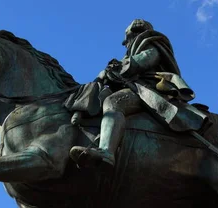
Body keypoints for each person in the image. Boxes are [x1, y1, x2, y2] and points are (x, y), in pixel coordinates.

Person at [69, 19, 209, 170]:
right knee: (100, 96)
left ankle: (106, 152)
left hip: (146, 89)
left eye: (127, 38)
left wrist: (116, 68)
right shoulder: (130, 53)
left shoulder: (152, 45)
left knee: (113, 103)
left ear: (137, 34)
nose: (125, 43)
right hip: (132, 87)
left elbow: (141, 62)